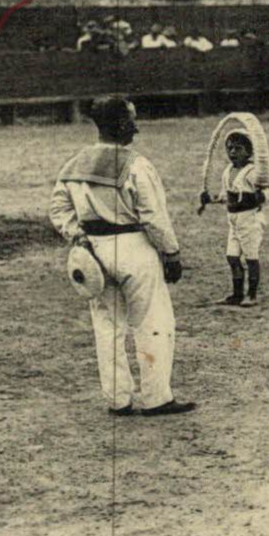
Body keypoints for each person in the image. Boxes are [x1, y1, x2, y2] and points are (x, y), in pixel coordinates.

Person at [48, 97, 193, 416]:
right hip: (133, 247)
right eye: (132, 120)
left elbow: (57, 209)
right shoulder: (136, 164)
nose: (137, 127)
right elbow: (153, 216)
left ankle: (118, 399)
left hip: (93, 252)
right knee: (152, 320)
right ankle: (156, 397)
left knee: (106, 325)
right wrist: (171, 252)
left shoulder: (74, 165)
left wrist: (78, 235)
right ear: (119, 125)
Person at [198, 131, 267, 308]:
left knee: (251, 257)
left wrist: (260, 196)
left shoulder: (252, 173)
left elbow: (267, 193)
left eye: (238, 148)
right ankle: (237, 294)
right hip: (234, 221)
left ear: (249, 151)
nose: (233, 152)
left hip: (249, 219)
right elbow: (225, 195)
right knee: (232, 257)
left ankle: (251, 294)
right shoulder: (228, 171)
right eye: (230, 148)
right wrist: (210, 199)